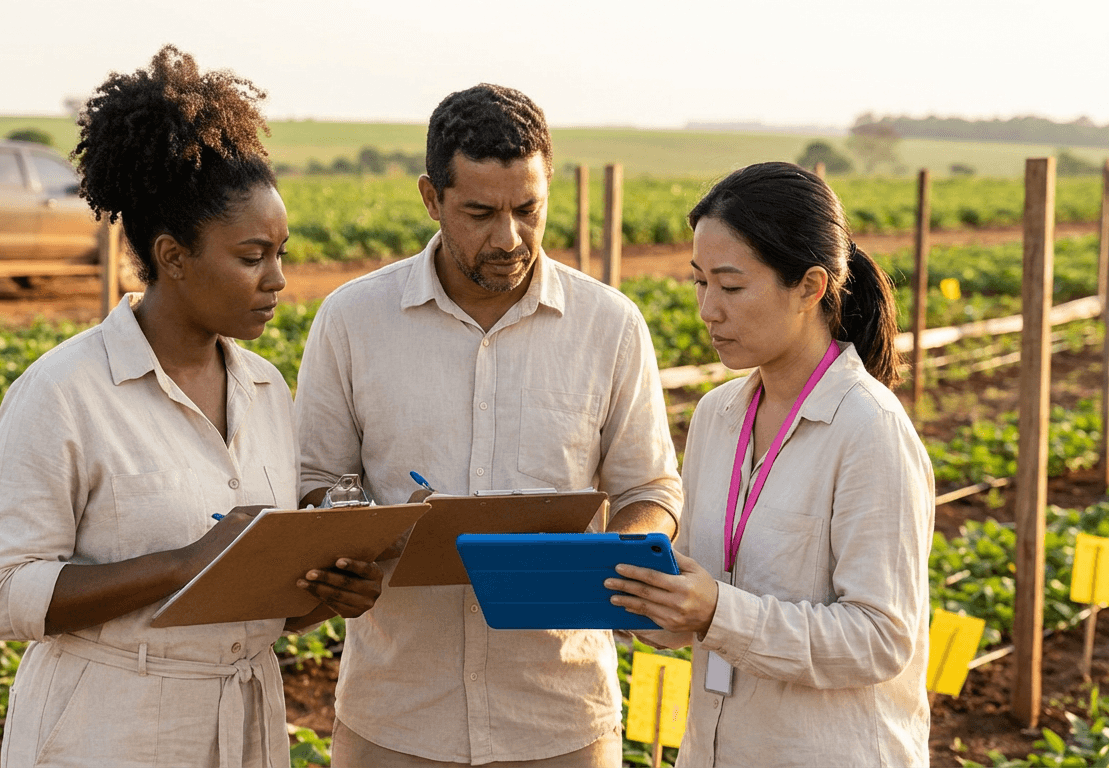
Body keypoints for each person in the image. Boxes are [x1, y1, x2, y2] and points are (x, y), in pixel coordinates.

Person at [0, 46, 382, 768]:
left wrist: (330, 591)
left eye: (281, 254)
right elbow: (2, 595)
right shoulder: (64, 393)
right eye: (252, 257)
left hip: (244, 724)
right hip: (107, 730)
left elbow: (255, 602)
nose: (277, 280)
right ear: (173, 255)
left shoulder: (264, 390)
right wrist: (183, 562)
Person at [294, 84, 683, 766]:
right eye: (479, 213)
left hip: (559, 717)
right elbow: (315, 481)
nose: (509, 238)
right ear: (430, 198)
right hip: (393, 717)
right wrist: (344, 536)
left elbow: (650, 488)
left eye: (527, 210)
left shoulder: (610, 326)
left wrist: (611, 560)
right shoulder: (352, 320)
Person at [607, 161, 934, 766]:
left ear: (810, 287)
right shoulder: (718, 415)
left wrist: (717, 612)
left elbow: (882, 638)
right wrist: (643, 601)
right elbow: (706, 598)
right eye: (699, 282)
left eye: (731, 287)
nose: (708, 310)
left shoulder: (869, 430)